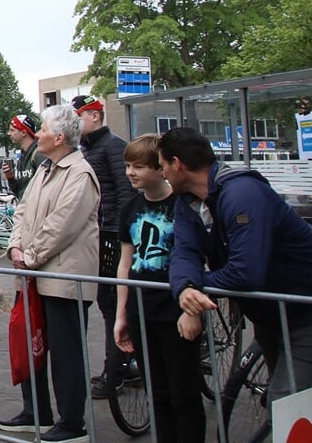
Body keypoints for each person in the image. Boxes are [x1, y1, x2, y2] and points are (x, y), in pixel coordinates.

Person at [165, 126, 312, 427]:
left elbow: (246, 272)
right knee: (292, 401)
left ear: (177, 164)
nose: (162, 173)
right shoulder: (187, 201)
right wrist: (186, 289)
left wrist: (198, 288)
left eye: (162, 165)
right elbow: (184, 252)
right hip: (271, 314)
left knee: (287, 404)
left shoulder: (242, 194)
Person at [1, 104, 100, 443]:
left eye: (42, 129)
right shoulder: (46, 169)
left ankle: (72, 422)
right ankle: (36, 411)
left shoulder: (79, 173)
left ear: (59, 137)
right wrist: (15, 246)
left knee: (65, 350)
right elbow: (23, 211)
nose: (37, 133)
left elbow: (63, 224)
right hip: (34, 275)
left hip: (62, 280)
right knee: (31, 344)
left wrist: (30, 255)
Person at [112, 134, 204, 443]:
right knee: (157, 392)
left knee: (184, 392)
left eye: (138, 166)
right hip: (142, 308)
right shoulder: (130, 210)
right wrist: (121, 313)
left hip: (176, 307)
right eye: (127, 166)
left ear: (159, 167)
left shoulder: (183, 206)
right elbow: (125, 264)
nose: (131, 173)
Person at [71, 94, 136, 398]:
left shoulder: (113, 147)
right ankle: (122, 363)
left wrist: (121, 235)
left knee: (113, 302)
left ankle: (117, 370)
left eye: (79, 116)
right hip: (98, 234)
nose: (75, 123)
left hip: (111, 234)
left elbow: (125, 195)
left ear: (95, 116)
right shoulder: (86, 149)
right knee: (108, 302)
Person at [2, 114, 41, 200]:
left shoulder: (39, 155)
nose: (9, 134)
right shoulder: (21, 157)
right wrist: (10, 177)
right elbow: (19, 191)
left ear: (23, 132)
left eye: (12, 130)